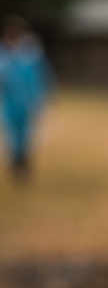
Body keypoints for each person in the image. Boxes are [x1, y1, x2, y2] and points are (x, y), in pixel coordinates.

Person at [0, 15, 53, 182]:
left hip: (27, 102)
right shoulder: (4, 56)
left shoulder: (30, 55)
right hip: (8, 102)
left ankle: (23, 164)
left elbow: (41, 78)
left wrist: (41, 100)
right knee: (11, 136)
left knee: (27, 136)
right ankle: (15, 163)